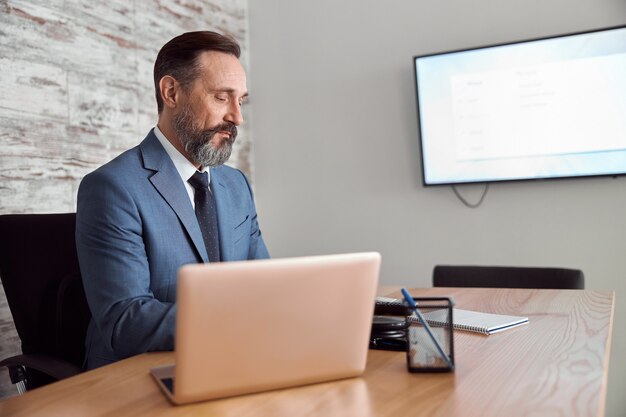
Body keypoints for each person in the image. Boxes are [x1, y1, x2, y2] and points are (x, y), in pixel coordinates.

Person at [76, 31, 269, 370]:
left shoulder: (236, 185)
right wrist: (236, 320)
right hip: (139, 374)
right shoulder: (112, 188)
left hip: (232, 359)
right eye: (222, 98)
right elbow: (125, 320)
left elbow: (265, 284)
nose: (237, 117)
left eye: (242, 101)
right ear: (171, 92)